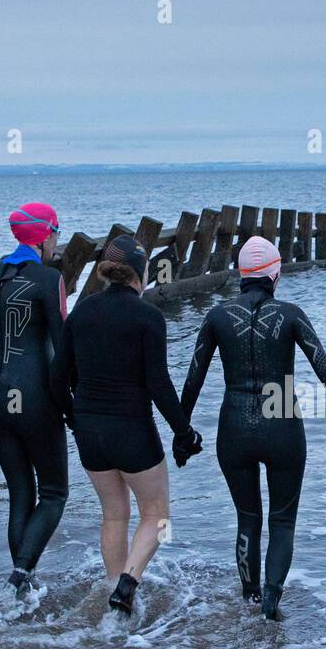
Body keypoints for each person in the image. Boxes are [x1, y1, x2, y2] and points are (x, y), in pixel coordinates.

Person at [178, 236, 326, 620]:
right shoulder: (291, 314)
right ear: (276, 274)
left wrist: (182, 432)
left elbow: (193, 379)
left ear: (241, 276)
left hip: (234, 424)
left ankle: (249, 598)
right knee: (282, 520)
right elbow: (325, 370)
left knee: (248, 517)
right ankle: (272, 601)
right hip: (283, 426)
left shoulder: (216, 316)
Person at [49, 234, 202, 615]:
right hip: (132, 430)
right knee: (157, 515)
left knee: (114, 514)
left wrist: (74, 418)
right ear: (139, 271)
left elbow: (56, 378)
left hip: (89, 432)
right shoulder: (148, 316)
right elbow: (159, 384)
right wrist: (184, 432)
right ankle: (129, 582)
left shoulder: (81, 312)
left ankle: (114, 595)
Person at [0, 203, 69, 598]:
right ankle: (21, 574)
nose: (57, 239)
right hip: (35, 396)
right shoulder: (49, 279)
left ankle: (22, 588)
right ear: (43, 235)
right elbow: (61, 349)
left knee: (20, 492)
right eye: (56, 231)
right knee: (55, 492)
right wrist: (71, 404)